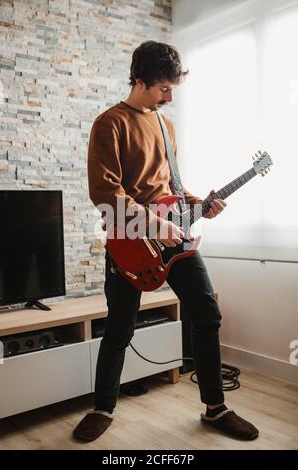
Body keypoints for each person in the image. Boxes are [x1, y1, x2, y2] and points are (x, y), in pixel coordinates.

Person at [73, 41, 259, 442]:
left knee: (207, 314)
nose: (170, 97)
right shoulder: (110, 123)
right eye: (163, 89)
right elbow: (105, 193)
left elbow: (168, 187)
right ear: (140, 80)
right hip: (130, 244)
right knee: (120, 328)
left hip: (174, 241)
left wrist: (199, 204)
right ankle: (102, 407)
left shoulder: (165, 125)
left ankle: (215, 407)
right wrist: (154, 225)